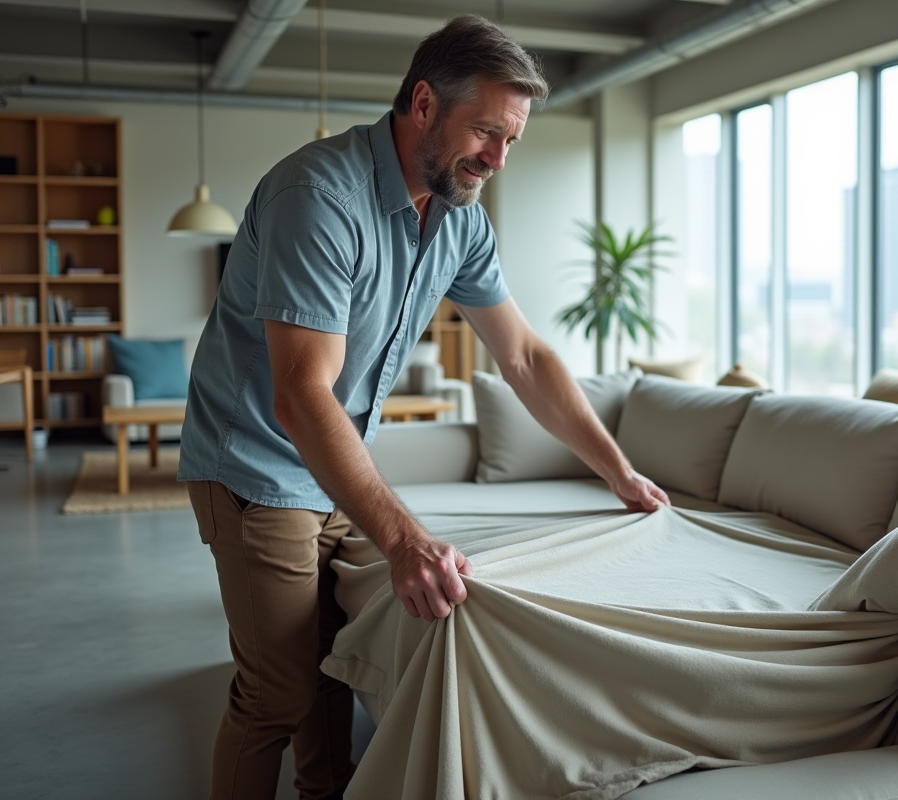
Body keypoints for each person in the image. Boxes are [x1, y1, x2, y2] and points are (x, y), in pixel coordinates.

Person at [178, 13, 670, 800]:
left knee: (331, 670)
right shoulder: (319, 197)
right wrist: (406, 541)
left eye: (512, 140)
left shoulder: (460, 219)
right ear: (422, 105)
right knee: (279, 693)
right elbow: (302, 395)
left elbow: (526, 357)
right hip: (257, 469)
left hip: (335, 466)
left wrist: (618, 472)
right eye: (485, 131)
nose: (499, 159)